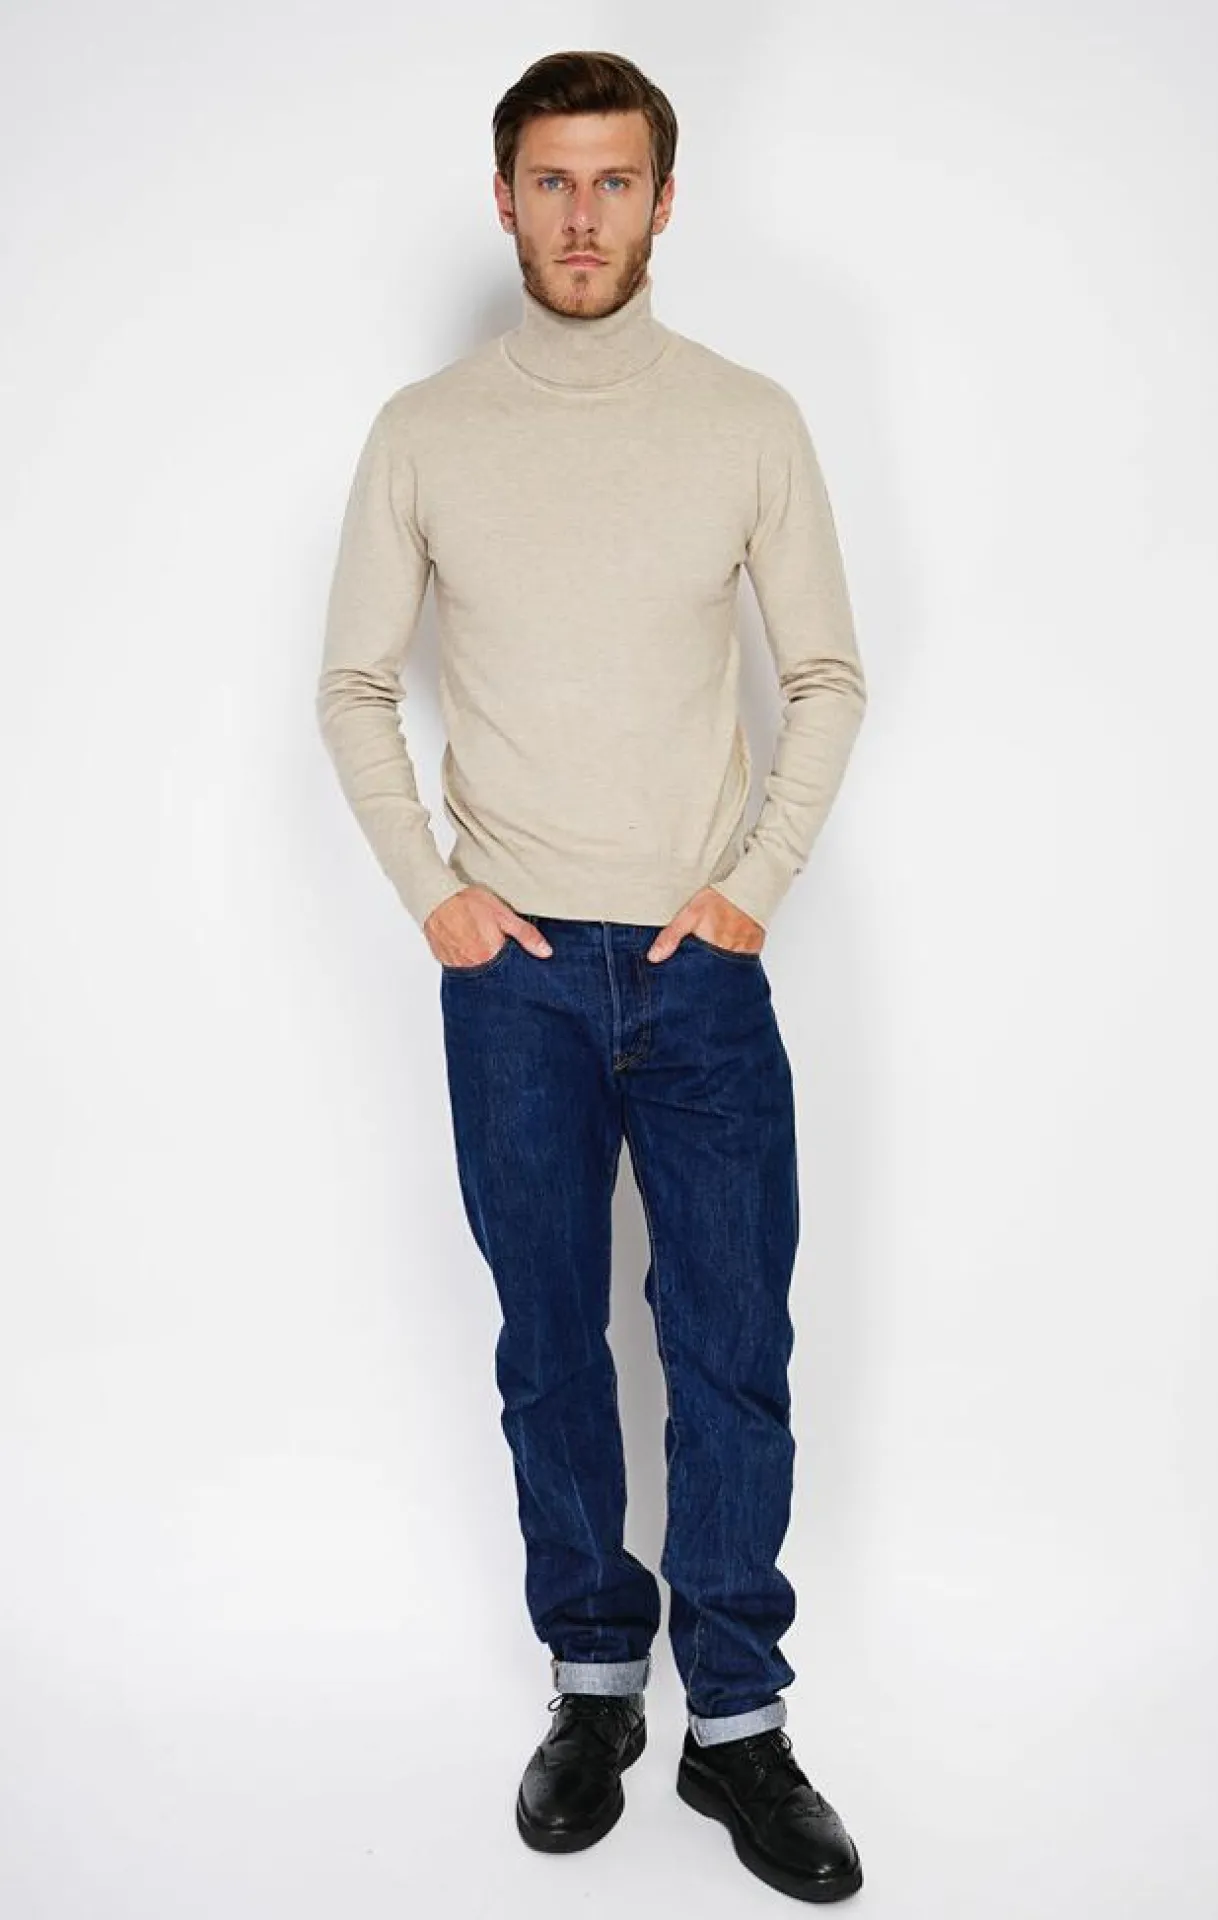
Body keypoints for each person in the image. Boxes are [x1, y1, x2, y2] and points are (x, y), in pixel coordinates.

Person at [315, 48, 868, 1904]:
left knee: (730, 1351)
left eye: (613, 181)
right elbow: (352, 683)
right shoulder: (425, 430)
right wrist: (437, 897)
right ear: (504, 198)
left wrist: (752, 887)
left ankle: (738, 1726)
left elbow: (826, 676)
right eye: (550, 182)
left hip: (703, 970)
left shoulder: (747, 420)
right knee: (550, 1345)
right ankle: (595, 1684)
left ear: (663, 200)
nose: (581, 216)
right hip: (516, 976)